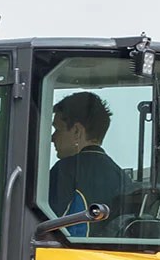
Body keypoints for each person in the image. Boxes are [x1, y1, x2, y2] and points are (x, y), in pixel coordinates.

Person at [47, 92, 126, 235]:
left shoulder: (65, 170)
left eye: (57, 129)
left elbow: (43, 227)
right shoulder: (122, 177)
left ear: (77, 131)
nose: (53, 138)